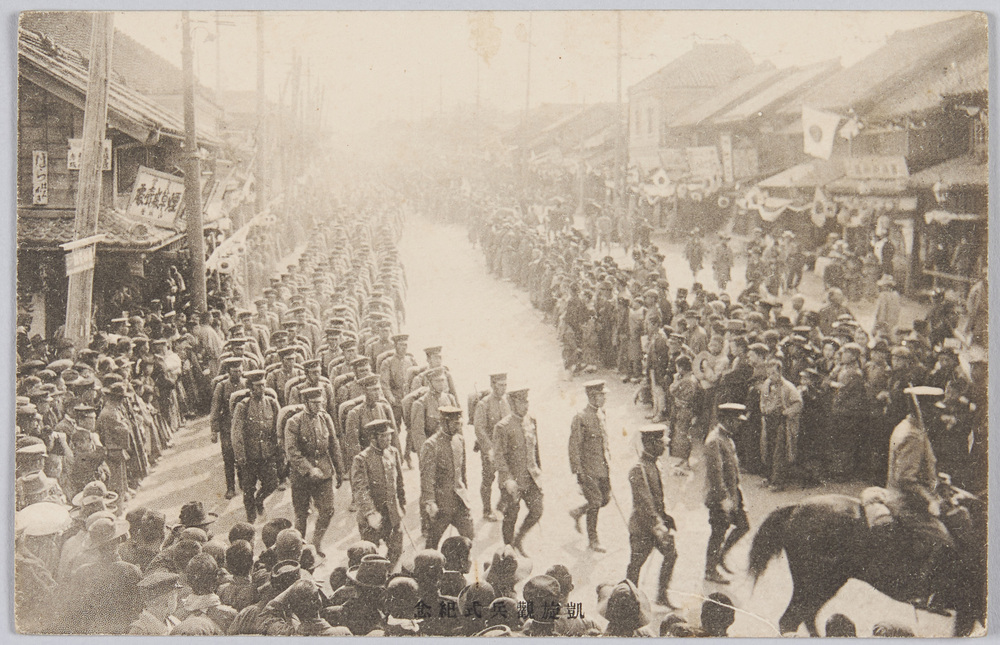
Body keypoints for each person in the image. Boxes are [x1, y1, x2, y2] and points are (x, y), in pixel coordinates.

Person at [886, 385, 953, 612]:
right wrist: (930, 499)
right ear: (921, 408)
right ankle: (922, 594)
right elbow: (905, 478)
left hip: (907, 496)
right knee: (943, 540)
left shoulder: (909, 427)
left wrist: (937, 478)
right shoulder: (913, 435)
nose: (937, 414)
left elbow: (918, 469)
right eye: (933, 409)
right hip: (905, 502)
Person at [283, 386, 345, 556]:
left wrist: (340, 470)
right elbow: (292, 452)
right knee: (301, 514)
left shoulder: (325, 418)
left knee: (328, 510)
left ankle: (316, 543)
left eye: (321, 402)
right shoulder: (294, 422)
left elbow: (333, 445)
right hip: (301, 476)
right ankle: (299, 549)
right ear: (306, 403)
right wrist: (309, 469)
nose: (319, 406)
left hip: (324, 473)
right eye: (315, 403)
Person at [626, 424, 677, 608]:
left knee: (671, 554)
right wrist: (659, 527)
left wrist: (666, 517)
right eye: (661, 443)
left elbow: (658, 498)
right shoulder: (638, 469)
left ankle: (661, 596)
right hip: (642, 527)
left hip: (657, 524)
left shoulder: (655, 464)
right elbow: (645, 503)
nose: (665, 446)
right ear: (651, 443)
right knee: (636, 564)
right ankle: (629, 600)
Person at [493, 387, 543, 556]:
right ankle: (509, 550)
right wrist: (507, 479)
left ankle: (519, 538)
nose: (525, 405)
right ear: (512, 404)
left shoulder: (532, 421)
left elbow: (535, 450)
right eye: (521, 402)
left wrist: (539, 472)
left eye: (526, 401)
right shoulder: (503, 427)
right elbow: (498, 456)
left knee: (537, 510)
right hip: (512, 481)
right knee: (510, 517)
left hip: (530, 478)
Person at [703, 403, 750, 584]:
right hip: (719, 497)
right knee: (718, 532)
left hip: (733, 494)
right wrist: (724, 499)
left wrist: (737, 494)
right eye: (736, 421)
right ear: (727, 420)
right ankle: (710, 570)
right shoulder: (714, 441)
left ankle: (721, 556)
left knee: (743, 525)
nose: (739, 425)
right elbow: (716, 474)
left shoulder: (727, 438)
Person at [351, 419, 406, 567]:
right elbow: (360, 490)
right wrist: (370, 513)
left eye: (389, 435)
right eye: (383, 436)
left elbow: (399, 482)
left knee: (396, 551)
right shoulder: (362, 459)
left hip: (392, 514)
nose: (388, 438)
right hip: (372, 518)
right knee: (371, 557)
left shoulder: (393, 452)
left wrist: (402, 504)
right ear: (373, 438)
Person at [420, 406, 475, 549]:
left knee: (469, 536)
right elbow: (427, 477)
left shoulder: (460, 440)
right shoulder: (431, 445)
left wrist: (465, 493)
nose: (458, 427)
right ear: (444, 422)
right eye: (455, 423)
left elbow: (462, 472)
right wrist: (430, 502)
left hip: (460, 502)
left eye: (459, 423)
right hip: (441, 505)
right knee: (432, 544)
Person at [231, 370, 281, 523]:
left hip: (267, 453)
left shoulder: (272, 403)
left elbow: (278, 428)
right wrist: (240, 456)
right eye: (258, 386)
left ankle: (259, 500)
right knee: (248, 489)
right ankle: (251, 518)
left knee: (272, 483)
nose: (262, 389)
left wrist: (279, 450)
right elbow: (236, 433)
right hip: (249, 456)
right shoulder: (243, 406)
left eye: (263, 385)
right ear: (251, 388)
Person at [568, 380, 611, 553]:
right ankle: (593, 540)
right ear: (593, 396)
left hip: (602, 466)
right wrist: (579, 472)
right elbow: (574, 447)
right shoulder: (581, 418)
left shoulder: (602, 413)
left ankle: (578, 512)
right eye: (602, 395)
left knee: (605, 499)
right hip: (588, 469)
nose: (604, 398)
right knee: (595, 502)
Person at [759, 358, 803, 490]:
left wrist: (786, 412)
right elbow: (762, 400)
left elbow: (798, 404)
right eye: (768, 373)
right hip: (769, 420)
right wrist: (764, 408)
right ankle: (768, 477)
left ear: (780, 372)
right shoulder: (766, 385)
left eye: (773, 373)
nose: (770, 376)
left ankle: (778, 482)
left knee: (779, 451)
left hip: (782, 422)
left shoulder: (788, 387)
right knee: (768, 449)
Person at [473, 372, 510, 521]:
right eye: (501, 385)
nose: (504, 388)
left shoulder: (507, 402)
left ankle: (502, 506)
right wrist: (490, 449)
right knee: (488, 479)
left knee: (506, 477)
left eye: (505, 385)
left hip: (505, 449)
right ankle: (486, 510)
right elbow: (479, 429)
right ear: (493, 385)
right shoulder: (484, 404)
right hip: (490, 449)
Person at [210, 357, 246, 499]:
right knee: (228, 457)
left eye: (239, 371)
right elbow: (215, 408)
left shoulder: (246, 384)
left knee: (243, 454)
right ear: (229, 372)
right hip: (227, 426)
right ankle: (230, 487)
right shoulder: (222, 386)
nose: (237, 374)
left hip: (243, 425)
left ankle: (244, 483)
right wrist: (214, 430)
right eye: (234, 371)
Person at [95, 382, 132, 502]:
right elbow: (123, 429)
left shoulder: (112, 409)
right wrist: (126, 424)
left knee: (120, 475)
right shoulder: (110, 412)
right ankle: (118, 501)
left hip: (115, 446)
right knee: (116, 478)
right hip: (112, 447)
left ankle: (123, 495)